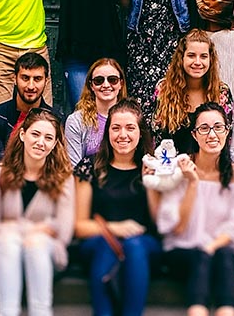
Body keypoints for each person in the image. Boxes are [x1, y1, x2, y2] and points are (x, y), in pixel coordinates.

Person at [157, 103, 234, 316]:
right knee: (203, 256)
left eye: (218, 127)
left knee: (223, 254)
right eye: (204, 128)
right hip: (183, 250)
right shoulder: (178, 170)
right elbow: (175, 227)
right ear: (194, 134)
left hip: (221, 252)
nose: (212, 134)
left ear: (227, 132)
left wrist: (211, 246)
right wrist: (192, 183)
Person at [73, 99, 160, 315]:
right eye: (116, 128)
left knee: (134, 245)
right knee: (106, 245)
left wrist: (150, 183)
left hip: (144, 245)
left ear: (141, 133)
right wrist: (115, 228)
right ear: (107, 132)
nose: (123, 135)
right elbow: (80, 226)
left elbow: (160, 224)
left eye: (130, 128)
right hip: (97, 242)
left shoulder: (153, 166)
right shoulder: (89, 166)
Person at [0, 109, 74, 316]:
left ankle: (41, 312)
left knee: (34, 243)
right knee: (8, 240)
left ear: (55, 144)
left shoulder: (64, 178)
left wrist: (16, 227)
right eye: (35, 134)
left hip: (46, 254)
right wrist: (36, 228)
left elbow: (63, 232)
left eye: (48, 138)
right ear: (22, 134)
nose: (40, 142)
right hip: (6, 252)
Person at [153, 29, 234, 151]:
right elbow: (157, 135)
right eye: (191, 55)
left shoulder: (222, 92)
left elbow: (226, 139)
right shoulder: (163, 89)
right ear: (181, 58)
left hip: (210, 164)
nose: (197, 62)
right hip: (172, 165)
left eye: (203, 56)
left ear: (210, 59)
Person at [0, 52, 58, 166]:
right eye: (25, 78)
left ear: (46, 81)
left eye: (37, 79)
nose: (31, 86)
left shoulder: (57, 120)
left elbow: (56, 164)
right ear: (15, 79)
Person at [65, 58, 128, 166]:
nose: (106, 85)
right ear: (91, 85)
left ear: (121, 84)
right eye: (99, 81)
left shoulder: (133, 118)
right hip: (87, 180)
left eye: (112, 80)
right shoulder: (76, 121)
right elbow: (73, 167)